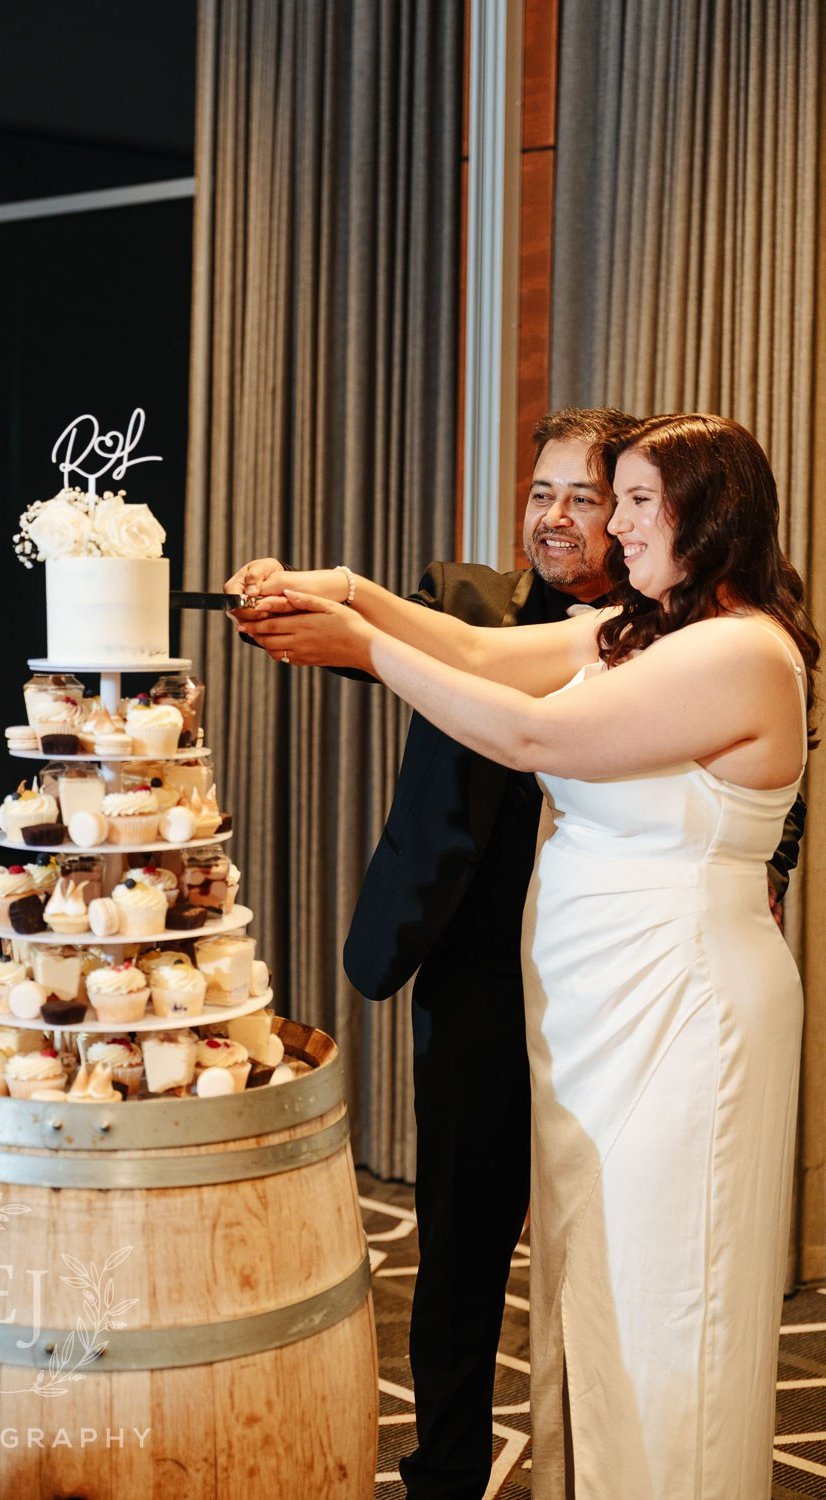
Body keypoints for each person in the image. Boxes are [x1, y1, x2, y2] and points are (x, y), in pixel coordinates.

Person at [235, 413, 818, 1496]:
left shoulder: (741, 650)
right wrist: (351, 593)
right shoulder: (644, 630)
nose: (616, 528)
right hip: (603, 1008)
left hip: (680, 1005)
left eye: (637, 503)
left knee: (661, 1286)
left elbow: (531, 736)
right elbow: (475, 648)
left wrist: (364, 650)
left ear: (712, 516)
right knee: (589, 1280)